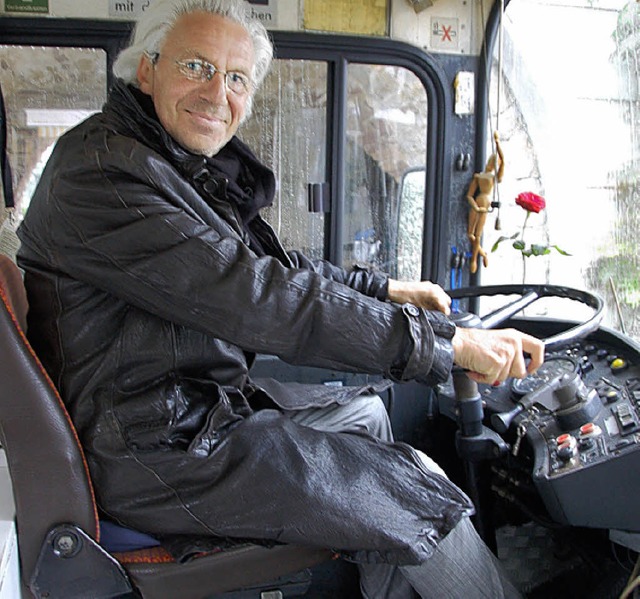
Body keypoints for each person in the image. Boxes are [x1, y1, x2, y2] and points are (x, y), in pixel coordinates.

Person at [16, 1, 543, 597]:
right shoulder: (106, 175)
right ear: (147, 71)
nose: (218, 94)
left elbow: (269, 267)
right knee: (415, 490)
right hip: (151, 449)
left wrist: (386, 289)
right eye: (196, 66)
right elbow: (260, 297)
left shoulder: (165, 161)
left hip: (180, 410)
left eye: (236, 78)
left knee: (368, 415)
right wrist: (451, 346)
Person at [467, 131, 505, 274]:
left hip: (485, 203)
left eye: (495, 161)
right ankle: (483, 254)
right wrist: (475, 206)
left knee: (477, 235)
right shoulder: (479, 176)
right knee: (470, 235)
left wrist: (497, 143)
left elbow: (503, 160)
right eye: (491, 159)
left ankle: (474, 259)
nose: (492, 162)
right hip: (477, 203)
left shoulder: (494, 177)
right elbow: (469, 195)